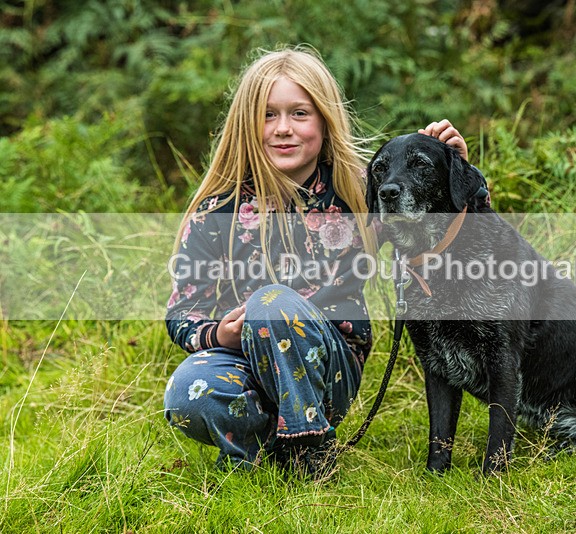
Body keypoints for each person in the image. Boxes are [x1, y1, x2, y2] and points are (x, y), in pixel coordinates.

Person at [163, 45, 468, 477]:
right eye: (268, 115)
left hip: (328, 366)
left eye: (299, 113)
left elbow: (434, 244)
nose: (283, 128)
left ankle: (311, 451)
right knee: (185, 394)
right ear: (247, 125)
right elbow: (181, 314)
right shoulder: (218, 211)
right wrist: (218, 333)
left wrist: (451, 171)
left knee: (272, 303)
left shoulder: (362, 191)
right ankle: (258, 455)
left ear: (324, 120)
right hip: (245, 360)